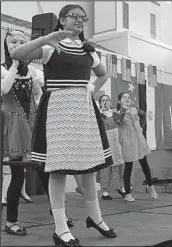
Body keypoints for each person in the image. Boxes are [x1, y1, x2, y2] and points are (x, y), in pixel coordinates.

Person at [11, 4, 116, 246]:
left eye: (83, 18)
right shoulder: (49, 46)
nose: (79, 20)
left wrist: (90, 89)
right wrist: (46, 38)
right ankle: (60, 229)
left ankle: (95, 217)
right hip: (58, 110)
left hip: (83, 110)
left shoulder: (89, 50)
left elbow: (103, 75)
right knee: (58, 170)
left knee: (89, 167)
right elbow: (17, 55)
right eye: (74, 17)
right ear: (62, 20)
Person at [1, 30, 43, 236]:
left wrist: (38, 91)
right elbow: (4, 89)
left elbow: (40, 95)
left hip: (32, 123)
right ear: (6, 46)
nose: (17, 45)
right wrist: (15, 66)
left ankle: (60, 215)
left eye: (21, 42)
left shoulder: (34, 71)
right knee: (18, 175)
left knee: (45, 171)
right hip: (14, 126)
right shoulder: (2, 69)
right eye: (12, 42)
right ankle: (11, 222)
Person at [116, 92, 158, 202]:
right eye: (124, 98)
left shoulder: (135, 109)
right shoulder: (116, 112)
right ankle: (128, 194)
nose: (127, 99)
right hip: (128, 140)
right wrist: (124, 109)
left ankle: (150, 185)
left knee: (144, 163)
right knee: (128, 166)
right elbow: (118, 121)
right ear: (119, 101)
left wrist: (142, 127)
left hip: (139, 139)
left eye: (129, 97)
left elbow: (143, 115)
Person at [96, 94, 125, 200]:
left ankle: (120, 187)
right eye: (103, 100)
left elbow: (120, 120)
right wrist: (100, 111)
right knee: (105, 166)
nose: (105, 102)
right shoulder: (98, 114)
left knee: (118, 164)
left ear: (110, 102)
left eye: (107, 100)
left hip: (116, 141)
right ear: (99, 103)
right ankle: (104, 191)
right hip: (104, 142)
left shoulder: (114, 113)